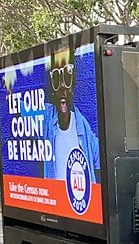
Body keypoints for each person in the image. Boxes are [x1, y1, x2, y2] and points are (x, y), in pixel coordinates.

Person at [44, 48, 100, 182]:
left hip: (80, 202)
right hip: (55, 197)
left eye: (67, 76)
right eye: (56, 78)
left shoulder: (83, 126)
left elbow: (101, 159)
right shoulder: (46, 118)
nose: (63, 86)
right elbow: (18, 105)